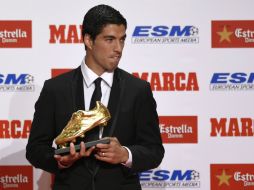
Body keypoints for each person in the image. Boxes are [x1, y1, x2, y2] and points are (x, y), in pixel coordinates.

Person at [26, 4, 164, 190]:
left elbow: (154, 151)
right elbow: (35, 150)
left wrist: (125, 154)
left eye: (122, 40)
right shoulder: (55, 89)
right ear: (89, 41)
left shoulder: (138, 89)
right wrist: (61, 160)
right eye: (109, 40)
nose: (118, 49)